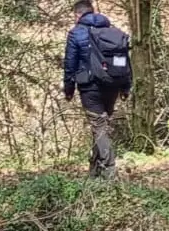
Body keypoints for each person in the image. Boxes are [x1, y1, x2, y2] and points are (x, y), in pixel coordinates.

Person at [63, 0, 127, 179]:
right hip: (113, 85)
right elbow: (124, 61)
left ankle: (110, 170)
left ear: (78, 15)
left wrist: (69, 88)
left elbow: (70, 63)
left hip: (90, 86)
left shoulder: (76, 33)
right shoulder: (114, 32)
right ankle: (94, 171)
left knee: (99, 126)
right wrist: (125, 86)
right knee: (99, 126)